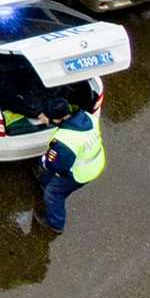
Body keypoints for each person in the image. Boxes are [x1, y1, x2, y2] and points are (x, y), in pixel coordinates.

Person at [36, 98, 105, 232]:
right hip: (95, 162)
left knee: (53, 195)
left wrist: (43, 162)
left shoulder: (64, 141)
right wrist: (50, 121)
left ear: (55, 118)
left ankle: (55, 224)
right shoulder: (88, 118)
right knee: (50, 179)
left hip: (79, 174)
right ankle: (44, 181)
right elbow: (65, 122)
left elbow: (57, 166)